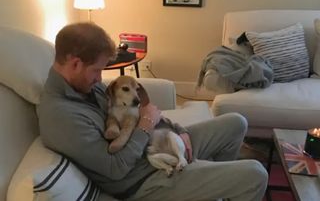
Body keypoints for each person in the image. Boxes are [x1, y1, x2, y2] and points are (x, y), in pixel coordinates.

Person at [37, 22, 268, 201]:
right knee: (255, 174)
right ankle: (213, 179)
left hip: (157, 145)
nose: (100, 79)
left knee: (237, 122)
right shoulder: (60, 116)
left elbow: (138, 113)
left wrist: (179, 130)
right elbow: (115, 170)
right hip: (145, 180)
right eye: (97, 70)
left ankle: (215, 183)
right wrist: (146, 125)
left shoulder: (85, 85)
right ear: (75, 63)